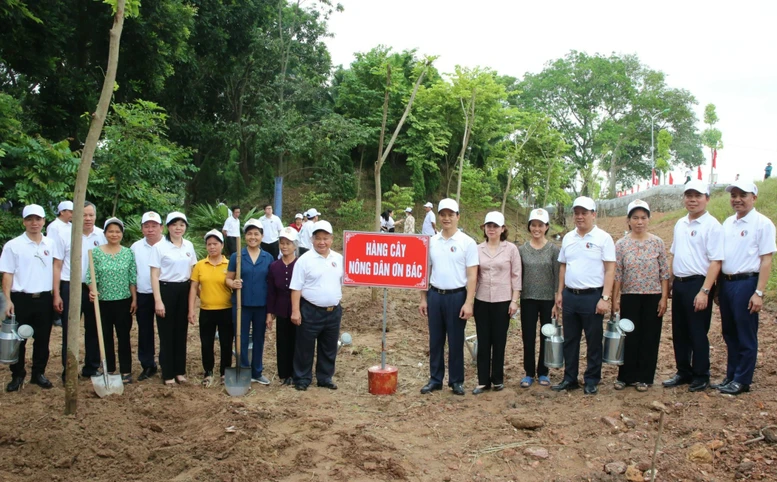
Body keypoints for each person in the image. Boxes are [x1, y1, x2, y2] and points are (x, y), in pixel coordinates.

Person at [714, 181, 776, 394]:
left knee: (745, 332)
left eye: (743, 195)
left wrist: (758, 292)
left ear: (754, 198)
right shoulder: (728, 223)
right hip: (727, 282)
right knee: (729, 332)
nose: (737, 199)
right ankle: (731, 374)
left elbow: (766, 260)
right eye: (734, 195)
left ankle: (743, 379)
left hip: (746, 283)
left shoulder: (763, 224)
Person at [663, 180, 723, 392]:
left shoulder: (712, 225)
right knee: (679, 331)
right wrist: (670, 282)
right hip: (680, 283)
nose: (692, 199)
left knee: (697, 331)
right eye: (689, 195)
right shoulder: (680, 223)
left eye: (698, 195)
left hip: (698, 283)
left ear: (706, 198)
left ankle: (701, 374)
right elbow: (675, 254)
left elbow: (716, 261)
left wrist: (705, 290)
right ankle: (683, 371)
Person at [553, 196, 616, 395]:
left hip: (592, 296)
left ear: (593, 214)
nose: (580, 217)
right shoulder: (569, 238)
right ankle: (569, 378)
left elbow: (610, 270)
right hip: (571, 295)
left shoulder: (603, 238)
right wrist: (560, 292)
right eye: (577, 213)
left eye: (584, 213)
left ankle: (591, 379)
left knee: (593, 340)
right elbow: (563, 266)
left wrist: (605, 298)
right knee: (570, 339)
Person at [419, 198, 479, 396]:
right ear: (439, 216)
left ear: (457, 216)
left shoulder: (467, 242)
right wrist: (423, 297)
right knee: (435, 340)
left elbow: (472, 275)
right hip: (435, 294)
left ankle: (456, 381)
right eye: (443, 215)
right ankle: (435, 379)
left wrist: (469, 302)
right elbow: (425, 271)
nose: (446, 218)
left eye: (450, 215)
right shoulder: (431, 242)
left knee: (455, 340)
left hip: (456, 296)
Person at [612, 200, 670, 392]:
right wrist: (615, 298)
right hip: (630, 295)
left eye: (643, 218)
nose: (639, 222)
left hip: (653, 296)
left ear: (648, 220)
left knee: (650, 336)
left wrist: (663, 297)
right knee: (628, 336)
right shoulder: (621, 244)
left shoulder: (657, 243)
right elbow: (618, 273)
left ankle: (645, 377)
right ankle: (625, 376)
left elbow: (664, 273)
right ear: (628, 221)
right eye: (635, 218)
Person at [1, 204, 56, 391]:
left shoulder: (50, 244)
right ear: (24, 221)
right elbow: (7, 274)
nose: (34, 223)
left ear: (43, 221)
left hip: (43, 298)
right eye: (30, 219)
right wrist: (7, 300)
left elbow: (56, 269)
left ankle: (38, 373)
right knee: (18, 340)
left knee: (42, 339)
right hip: (20, 298)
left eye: (38, 219)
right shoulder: (13, 245)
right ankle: (17, 375)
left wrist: (56, 295)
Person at [52, 201, 107, 379]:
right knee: (70, 330)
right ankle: (69, 369)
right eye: (83, 215)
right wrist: (57, 293)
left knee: (94, 327)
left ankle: (91, 367)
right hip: (71, 286)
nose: (88, 218)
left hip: (94, 288)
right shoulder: (65, 234)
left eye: (91, 215)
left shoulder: (101, 235)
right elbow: (57, 264)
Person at [289, 220, 344, 391]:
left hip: (333, 311)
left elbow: (343, 281)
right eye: (318, 238)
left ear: (332, 239)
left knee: (329, 347)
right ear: (312, 239)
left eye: (325, 238)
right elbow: (296, 288)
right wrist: (296, 311)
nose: (322, 242)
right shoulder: (304, 260)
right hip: (310, 310)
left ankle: (325, 377)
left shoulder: (339, 258)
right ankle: (302, 378)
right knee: (304, 346)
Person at [472, 211, 520, 395]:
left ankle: (498, 378)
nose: (491, 229)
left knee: (499, 340)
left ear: (502, 229)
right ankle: (483, 380)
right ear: (484, 228)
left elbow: (516, 276)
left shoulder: (511, 249)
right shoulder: (477, 249)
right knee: (483, 340)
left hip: (503, 300)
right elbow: (473, 276)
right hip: (482, 299)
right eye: (488, 226)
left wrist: (514, 301)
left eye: (495, 226)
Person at [88, 217, 137, 384]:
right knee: (105, 337)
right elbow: (90, 277)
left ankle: (126, 370)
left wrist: (134, 299)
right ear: (105, 233)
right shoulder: (95, 252)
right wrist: (92, 291)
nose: (114, 234)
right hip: (102, 302)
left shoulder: (128, 253)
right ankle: (108, 369)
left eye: (117, 231)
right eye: (111, 231)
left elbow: (132, 278)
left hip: (123, 301)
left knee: (124, 337)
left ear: (122, 234)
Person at [150, 212, 197, 385]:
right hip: (166, 289)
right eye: (174, 224)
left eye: (182, 224)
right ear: (168, 226)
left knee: (181, 331)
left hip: (183, 290)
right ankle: (168, 373)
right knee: (166, 333)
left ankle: (180, 371)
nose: (178, 228)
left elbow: (193, 272)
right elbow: (154, 275)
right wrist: (158, 300)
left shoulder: (188, 246)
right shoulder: (159, 247)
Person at [226, 219, 273, 385]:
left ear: (262, 236)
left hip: (261, 305)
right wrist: (233, 284)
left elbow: (271, 284)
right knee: (241, 338)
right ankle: (244, 370)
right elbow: (228, 279)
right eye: (249, 234)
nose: (253, 237)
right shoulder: (237, 256)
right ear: (245, 236)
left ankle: (257, 372)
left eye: (256, 234)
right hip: (241, 305)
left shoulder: (268, 258)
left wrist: (270, 312)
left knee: (259, 338)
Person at [518, 208, 559, 388]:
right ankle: (528, 372)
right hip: (528, 298)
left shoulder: (553, 250)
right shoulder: (521, 250)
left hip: (547, 299)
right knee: (528, 336)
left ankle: (543, 372)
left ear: (546, 227)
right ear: (529, 227)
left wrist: (557, 299)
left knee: (546, 335)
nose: (537, 229)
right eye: (533, 225)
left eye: (540, 225)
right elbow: (518, 274)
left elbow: (558, 276)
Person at [189, 229, 233, 387]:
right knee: (206, 343)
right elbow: (194, 287)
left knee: (226, 343)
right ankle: (208, 372)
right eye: (209, 244)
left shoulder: (230, 264)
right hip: (207, 311)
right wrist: (191, 310)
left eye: (215, 244)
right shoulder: (200, 265)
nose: (212, 247)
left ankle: (224, 372)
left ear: (222, 245)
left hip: (226, 309)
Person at [130, 211, 163, 381]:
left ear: (161, 227)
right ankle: (148, 364)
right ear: (142, 228)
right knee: (145, 330)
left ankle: (166, 362)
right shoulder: (135, 247)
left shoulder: (168, 245)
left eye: (154, 226)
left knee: (165, 331)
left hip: (164, 294)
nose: (150, 229)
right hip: (143, 294)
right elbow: (132, 273)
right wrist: (134, 297)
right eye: (147, 226)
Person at [266, 227, 300, 385]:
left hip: (298, 308)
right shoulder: (274, 266)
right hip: (281, 308)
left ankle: (296, 372)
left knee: (297, 340)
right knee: (282, 341)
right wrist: (269, 313)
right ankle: (284, 374)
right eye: (282, 243)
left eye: (288, 243)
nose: (284, 246)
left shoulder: (300, 264)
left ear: (295, 246)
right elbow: (271, 291)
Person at [47, 201, 73, 328]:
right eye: (70, 211)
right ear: (62, 212)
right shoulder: (54, 227)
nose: (72, 214)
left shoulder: (70, 225)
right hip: (57, 259)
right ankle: (55, 316)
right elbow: (52, 247)